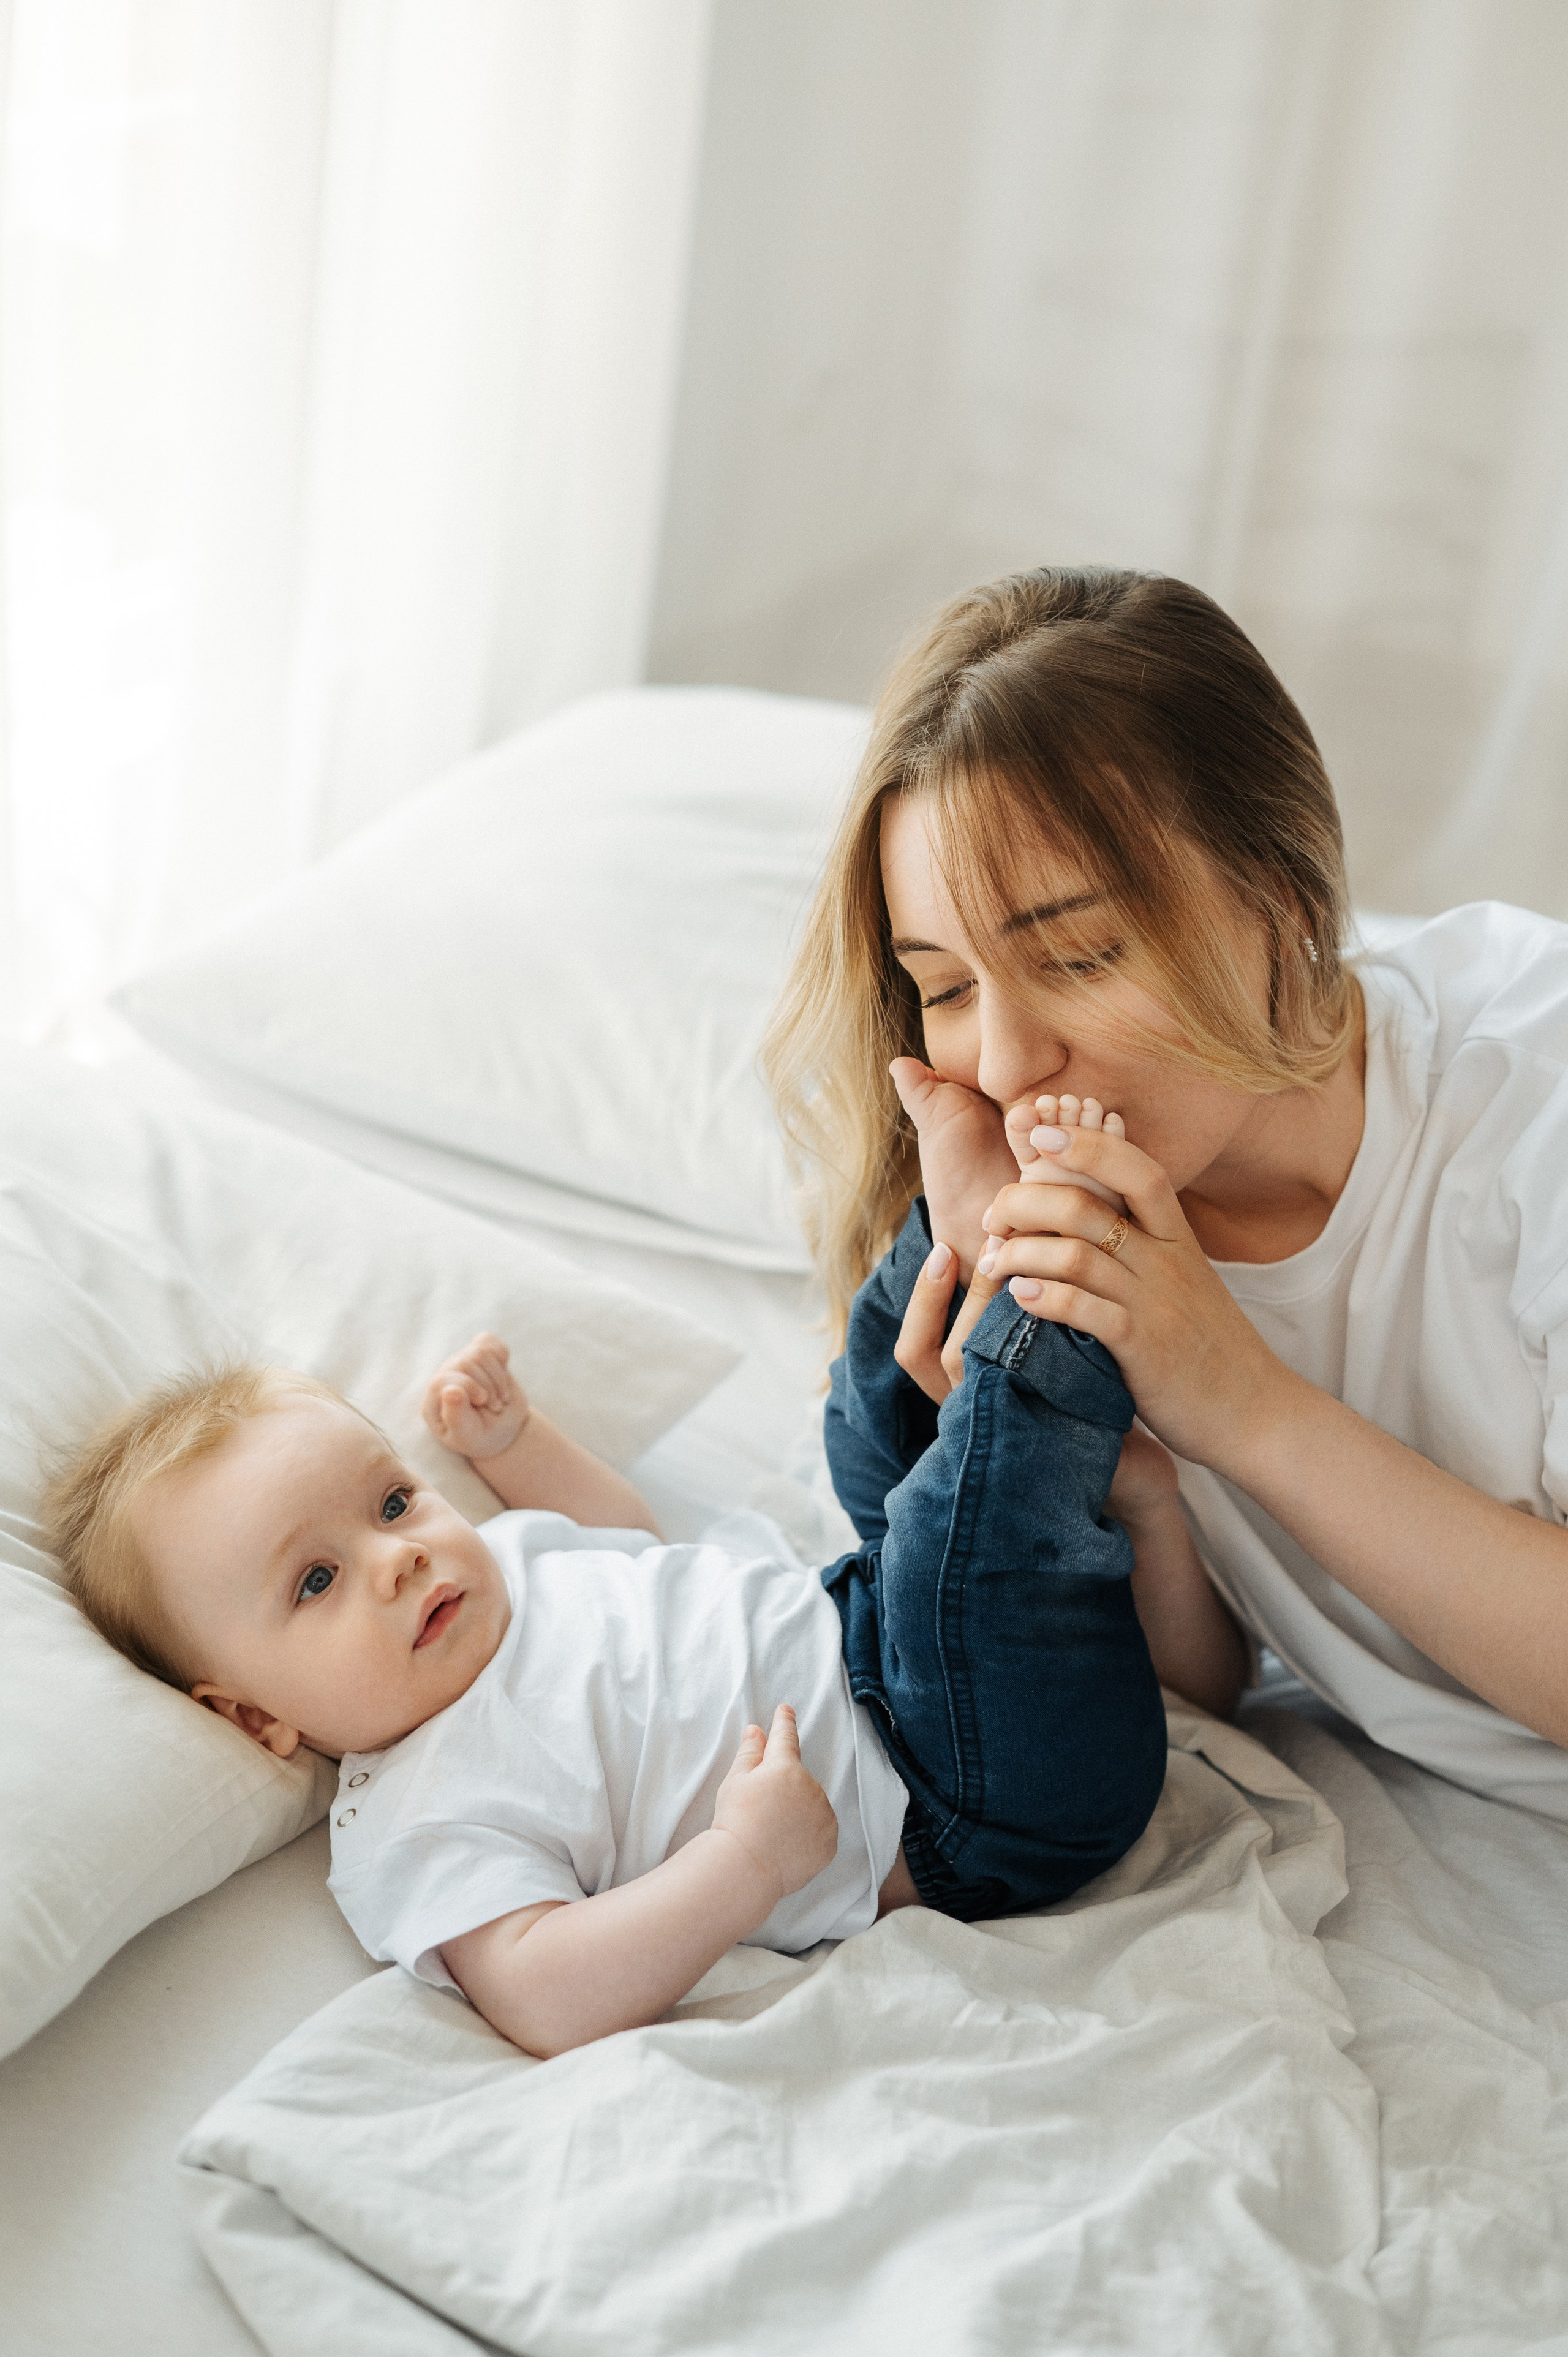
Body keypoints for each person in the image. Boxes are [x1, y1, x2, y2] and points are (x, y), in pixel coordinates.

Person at [766, 564, 1568, 1817]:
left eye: (1076, 953)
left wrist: (1242, 1405)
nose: (1012, 1061)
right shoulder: (1073, 1197)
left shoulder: (1533, 1090)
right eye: (948, 984)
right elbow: (1208, 1686)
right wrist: (1104, 1467)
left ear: (1278, 900)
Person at [43, 1275, 1169, 2057]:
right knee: (965, 1479)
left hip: (869, 1609)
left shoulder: (504, 1562)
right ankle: (1053, 1280)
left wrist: (512, 1448)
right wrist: (745, 1860)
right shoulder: (421, 1820)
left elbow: (632, 1544)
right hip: (956, 1785)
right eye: (316, 1582)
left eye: (392, 1502)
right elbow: (547, 1991)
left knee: (869, 1402)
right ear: (253, 1718)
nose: (396, 1560)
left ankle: (953, 1226)